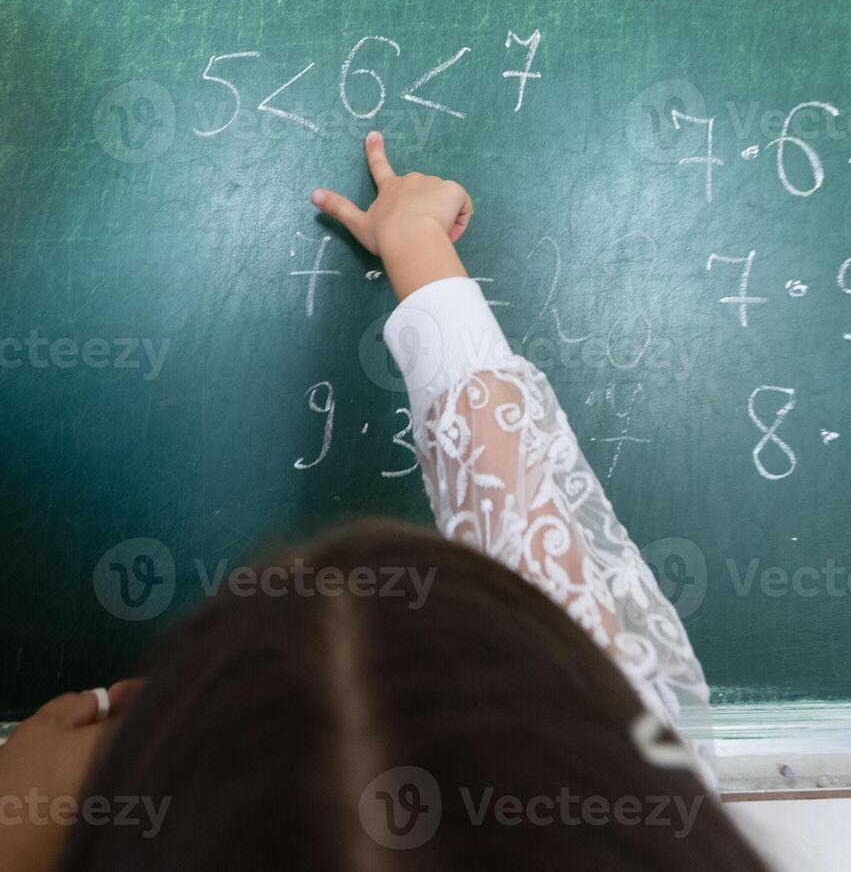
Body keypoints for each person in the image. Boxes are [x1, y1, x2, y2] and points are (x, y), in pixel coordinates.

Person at [0, 133, 770, 870]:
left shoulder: (618, 782)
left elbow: (544, 584)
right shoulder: (619, 800)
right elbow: (544, 588)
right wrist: (417, 247)